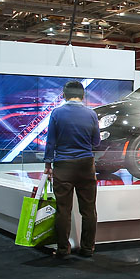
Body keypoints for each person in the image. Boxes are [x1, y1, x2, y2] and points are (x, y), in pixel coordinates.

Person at [44, 81, 101, 258]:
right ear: (83, 95)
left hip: (63, 164)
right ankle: (87, 249)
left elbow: (51, 142)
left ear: (64, 95)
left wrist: (48, 164)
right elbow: (96, 142)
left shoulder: (57, 113)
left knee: (63, 209)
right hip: (85, 164)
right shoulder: (91, 114)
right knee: (89, 209)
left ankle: (62, 249)